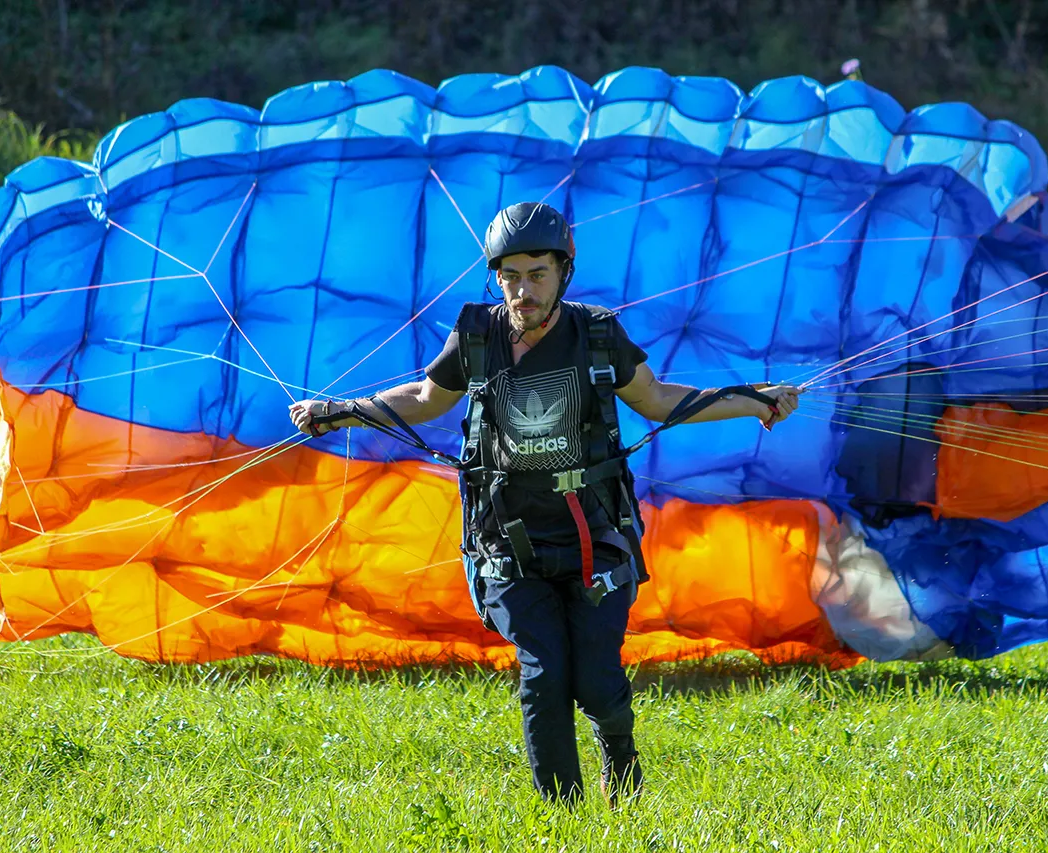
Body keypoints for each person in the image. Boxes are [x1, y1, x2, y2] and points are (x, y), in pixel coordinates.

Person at [289, 202, 799, 805]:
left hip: (594, 537)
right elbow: (427, 399)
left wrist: (754, 400)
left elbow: (659, 400)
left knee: (598, 682)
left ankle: (618, 747)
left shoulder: (598, 333)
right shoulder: (477, 334)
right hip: (508, 540)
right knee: (543, 674)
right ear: (495, 276)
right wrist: (339, 410)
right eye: (511, 277)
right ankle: (562, 817)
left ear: (563, 272)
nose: (523, 290)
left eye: (537, 274)